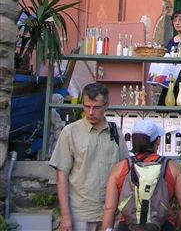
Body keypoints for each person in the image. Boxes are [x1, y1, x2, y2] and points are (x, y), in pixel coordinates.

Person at [50, 83, 128, 231]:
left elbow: (124, 170)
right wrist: (65, 216)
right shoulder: (70, 132)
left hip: (111, 213)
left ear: (106, 106)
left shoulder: (115, 132)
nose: (91, 112)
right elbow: (61, 176)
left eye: (96, 107)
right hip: (81, 214)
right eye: (86, 106)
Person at [101, 120, 181, 231]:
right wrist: (175, 226)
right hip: (162, 226)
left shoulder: (119, 168)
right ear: (157, 141)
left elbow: (109, 208)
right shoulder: (172, 167)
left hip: (128, 226)